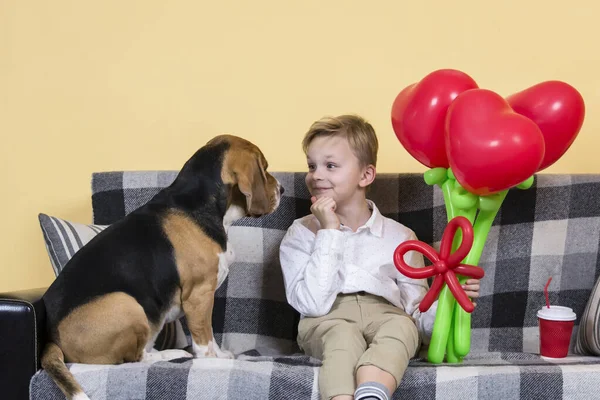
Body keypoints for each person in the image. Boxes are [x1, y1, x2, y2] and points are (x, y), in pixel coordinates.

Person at [279, 114, 480, 400]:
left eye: (330, 165)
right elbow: (312, 304)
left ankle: (372, 394)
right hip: (327, 317)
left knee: (401, 328)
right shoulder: (300, 233)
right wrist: (330, 231)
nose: (316, 175)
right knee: (342, 338)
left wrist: (450, 300)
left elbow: (417, 316)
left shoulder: (401, 237)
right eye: (311, 166)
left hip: (388, 314)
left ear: (366, 175)